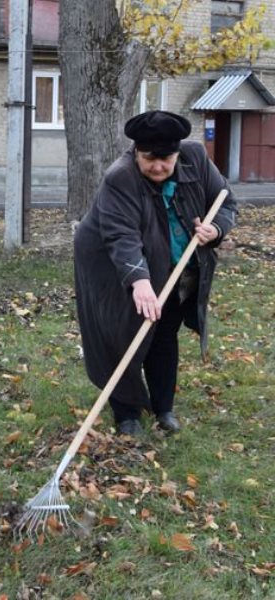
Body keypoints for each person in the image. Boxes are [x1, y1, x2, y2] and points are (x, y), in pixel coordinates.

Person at [74, 110, 237, 436]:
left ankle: (163, 407)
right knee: (123, 334)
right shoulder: (120, 177)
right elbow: (122, 236)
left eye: (167, 159)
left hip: (172, 263)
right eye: (151, 159)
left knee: (164, 331)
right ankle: (127, 413)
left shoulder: (195, 159)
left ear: (178, 152)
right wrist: (139, 281)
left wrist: (215, 229)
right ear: (137, 151)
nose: (159, 166)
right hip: (108, 260)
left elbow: (226, 203)